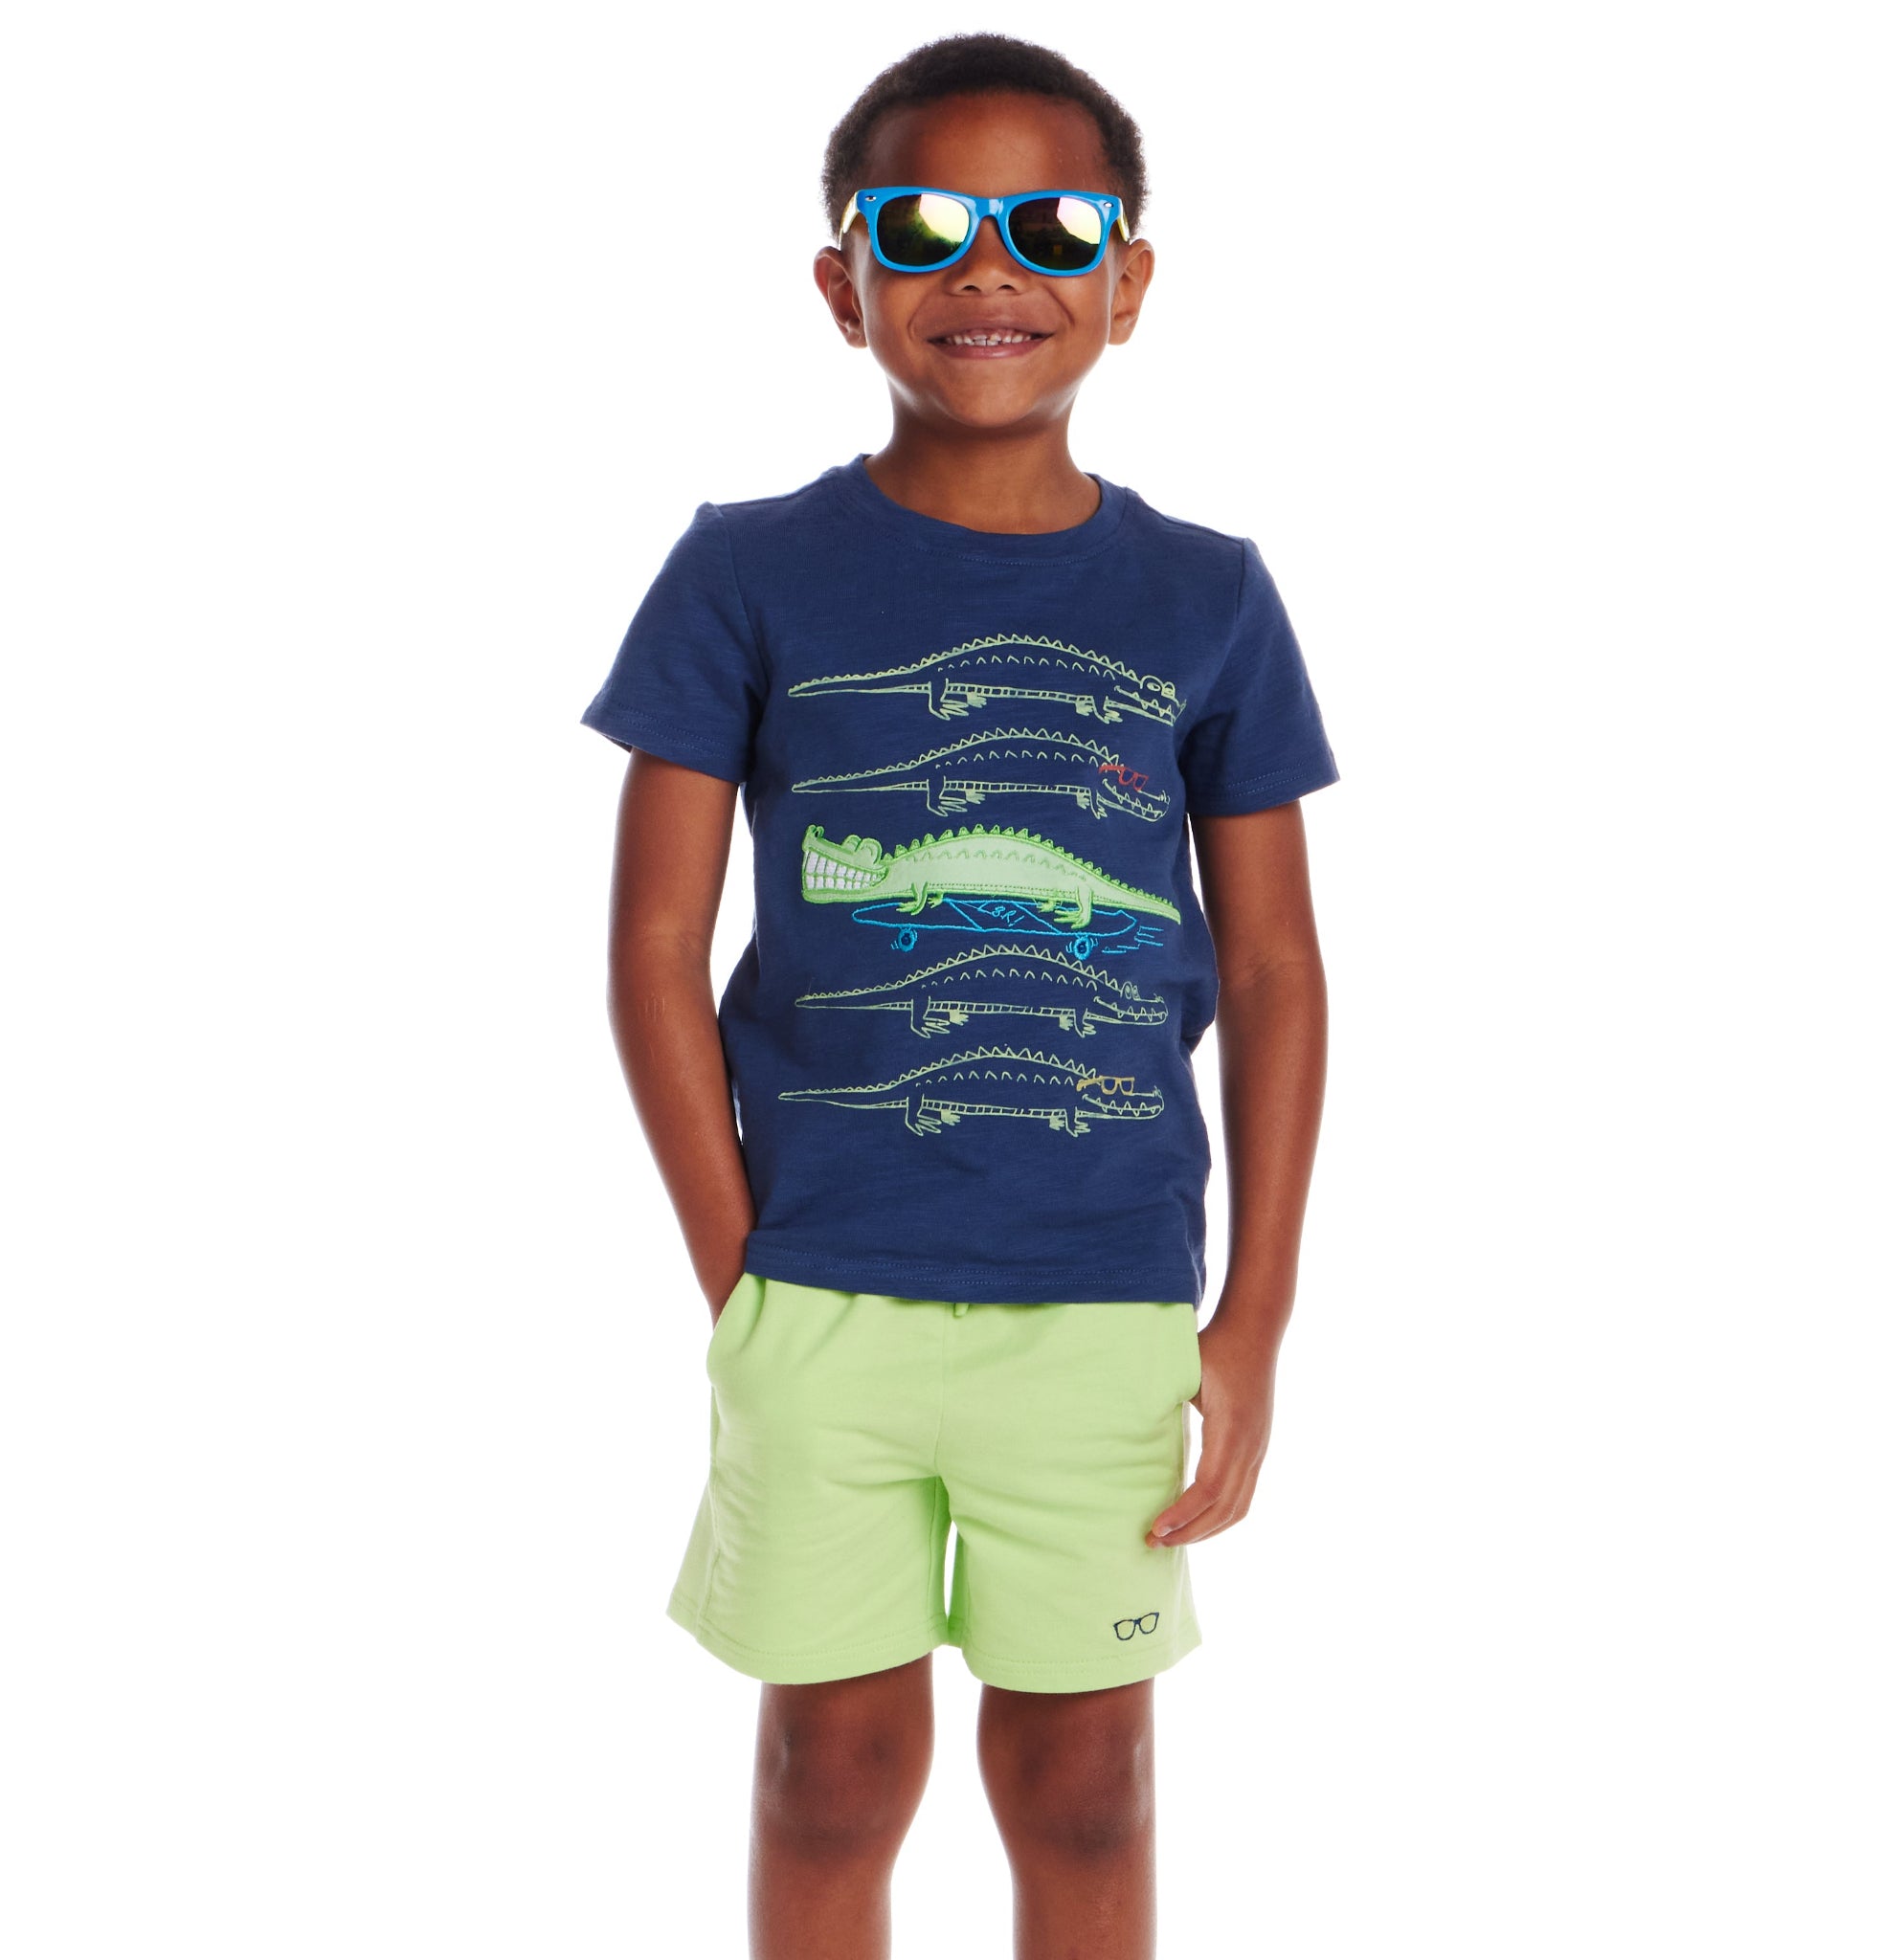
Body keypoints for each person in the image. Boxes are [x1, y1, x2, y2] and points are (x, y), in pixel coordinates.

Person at [583, 32, 1337, 1960]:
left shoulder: (1210, 593)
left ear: (1127, 281)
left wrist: (1253, 1310)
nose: (985, 268)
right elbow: (654, 945)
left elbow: (1271, 966)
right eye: (917, 225)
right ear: (841, 284)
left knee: (1089, 1784)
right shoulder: (743, 570)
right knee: (827, 1772)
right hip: (816, 1289)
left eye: (1050, 227)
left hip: (1100, 1293)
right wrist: (737, 1272)